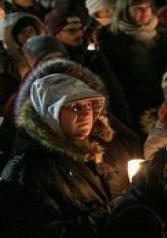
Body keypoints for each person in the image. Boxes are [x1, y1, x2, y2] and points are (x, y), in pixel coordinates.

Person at [0, 66, 119, 237]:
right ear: (51, 113)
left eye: (90, 106)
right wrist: (118, 207)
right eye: (75, 107)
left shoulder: (91, 152)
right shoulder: (25, 172)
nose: (87, 114)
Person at [100, 0, 167, 122]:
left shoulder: (162, 30)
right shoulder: (112, 37)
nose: (145, 11)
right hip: (134, 98)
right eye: (138, 9)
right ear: (125, 11)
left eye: (147, 7)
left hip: (163, 94)